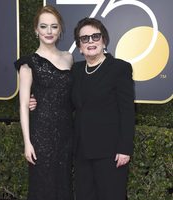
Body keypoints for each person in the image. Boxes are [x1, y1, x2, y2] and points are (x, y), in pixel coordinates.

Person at [29, 17, 135, 200]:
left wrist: (125, 148)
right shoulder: (76, 71)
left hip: (110, 153)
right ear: (79, 46)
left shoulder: (119, 68)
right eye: (84, 39)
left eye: (95, 36)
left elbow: (127, 111)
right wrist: (38, 102)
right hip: (82, 151)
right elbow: (65, 104)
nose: (91, 41)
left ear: (104, 41)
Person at [15, 5, 74, 200]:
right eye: (44, 26)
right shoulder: (28, 63)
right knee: (43, 185)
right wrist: (27, 143)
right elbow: (23, 104)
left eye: (54, 27)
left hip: (66, 133)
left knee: (63, 183)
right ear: (36, 30)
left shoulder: (69, 58)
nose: (49, 31)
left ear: (60, 30)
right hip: (41, 134)